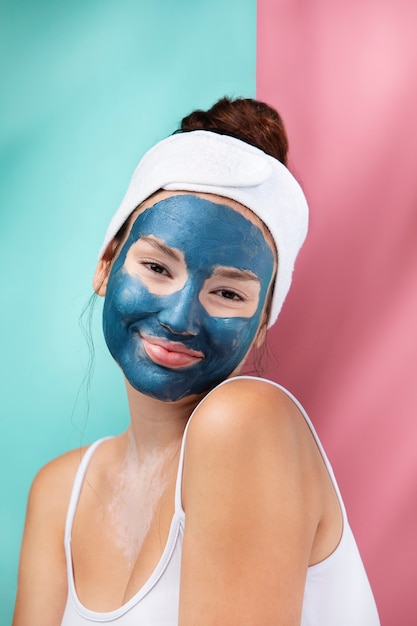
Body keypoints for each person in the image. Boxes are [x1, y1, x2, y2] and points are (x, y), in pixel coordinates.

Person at [12, 97, 380, 625]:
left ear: (262, 326)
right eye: (158, 267)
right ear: (106, 264)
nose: (181, 317)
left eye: (229, 294)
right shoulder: (58, 494)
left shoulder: (243, 423)